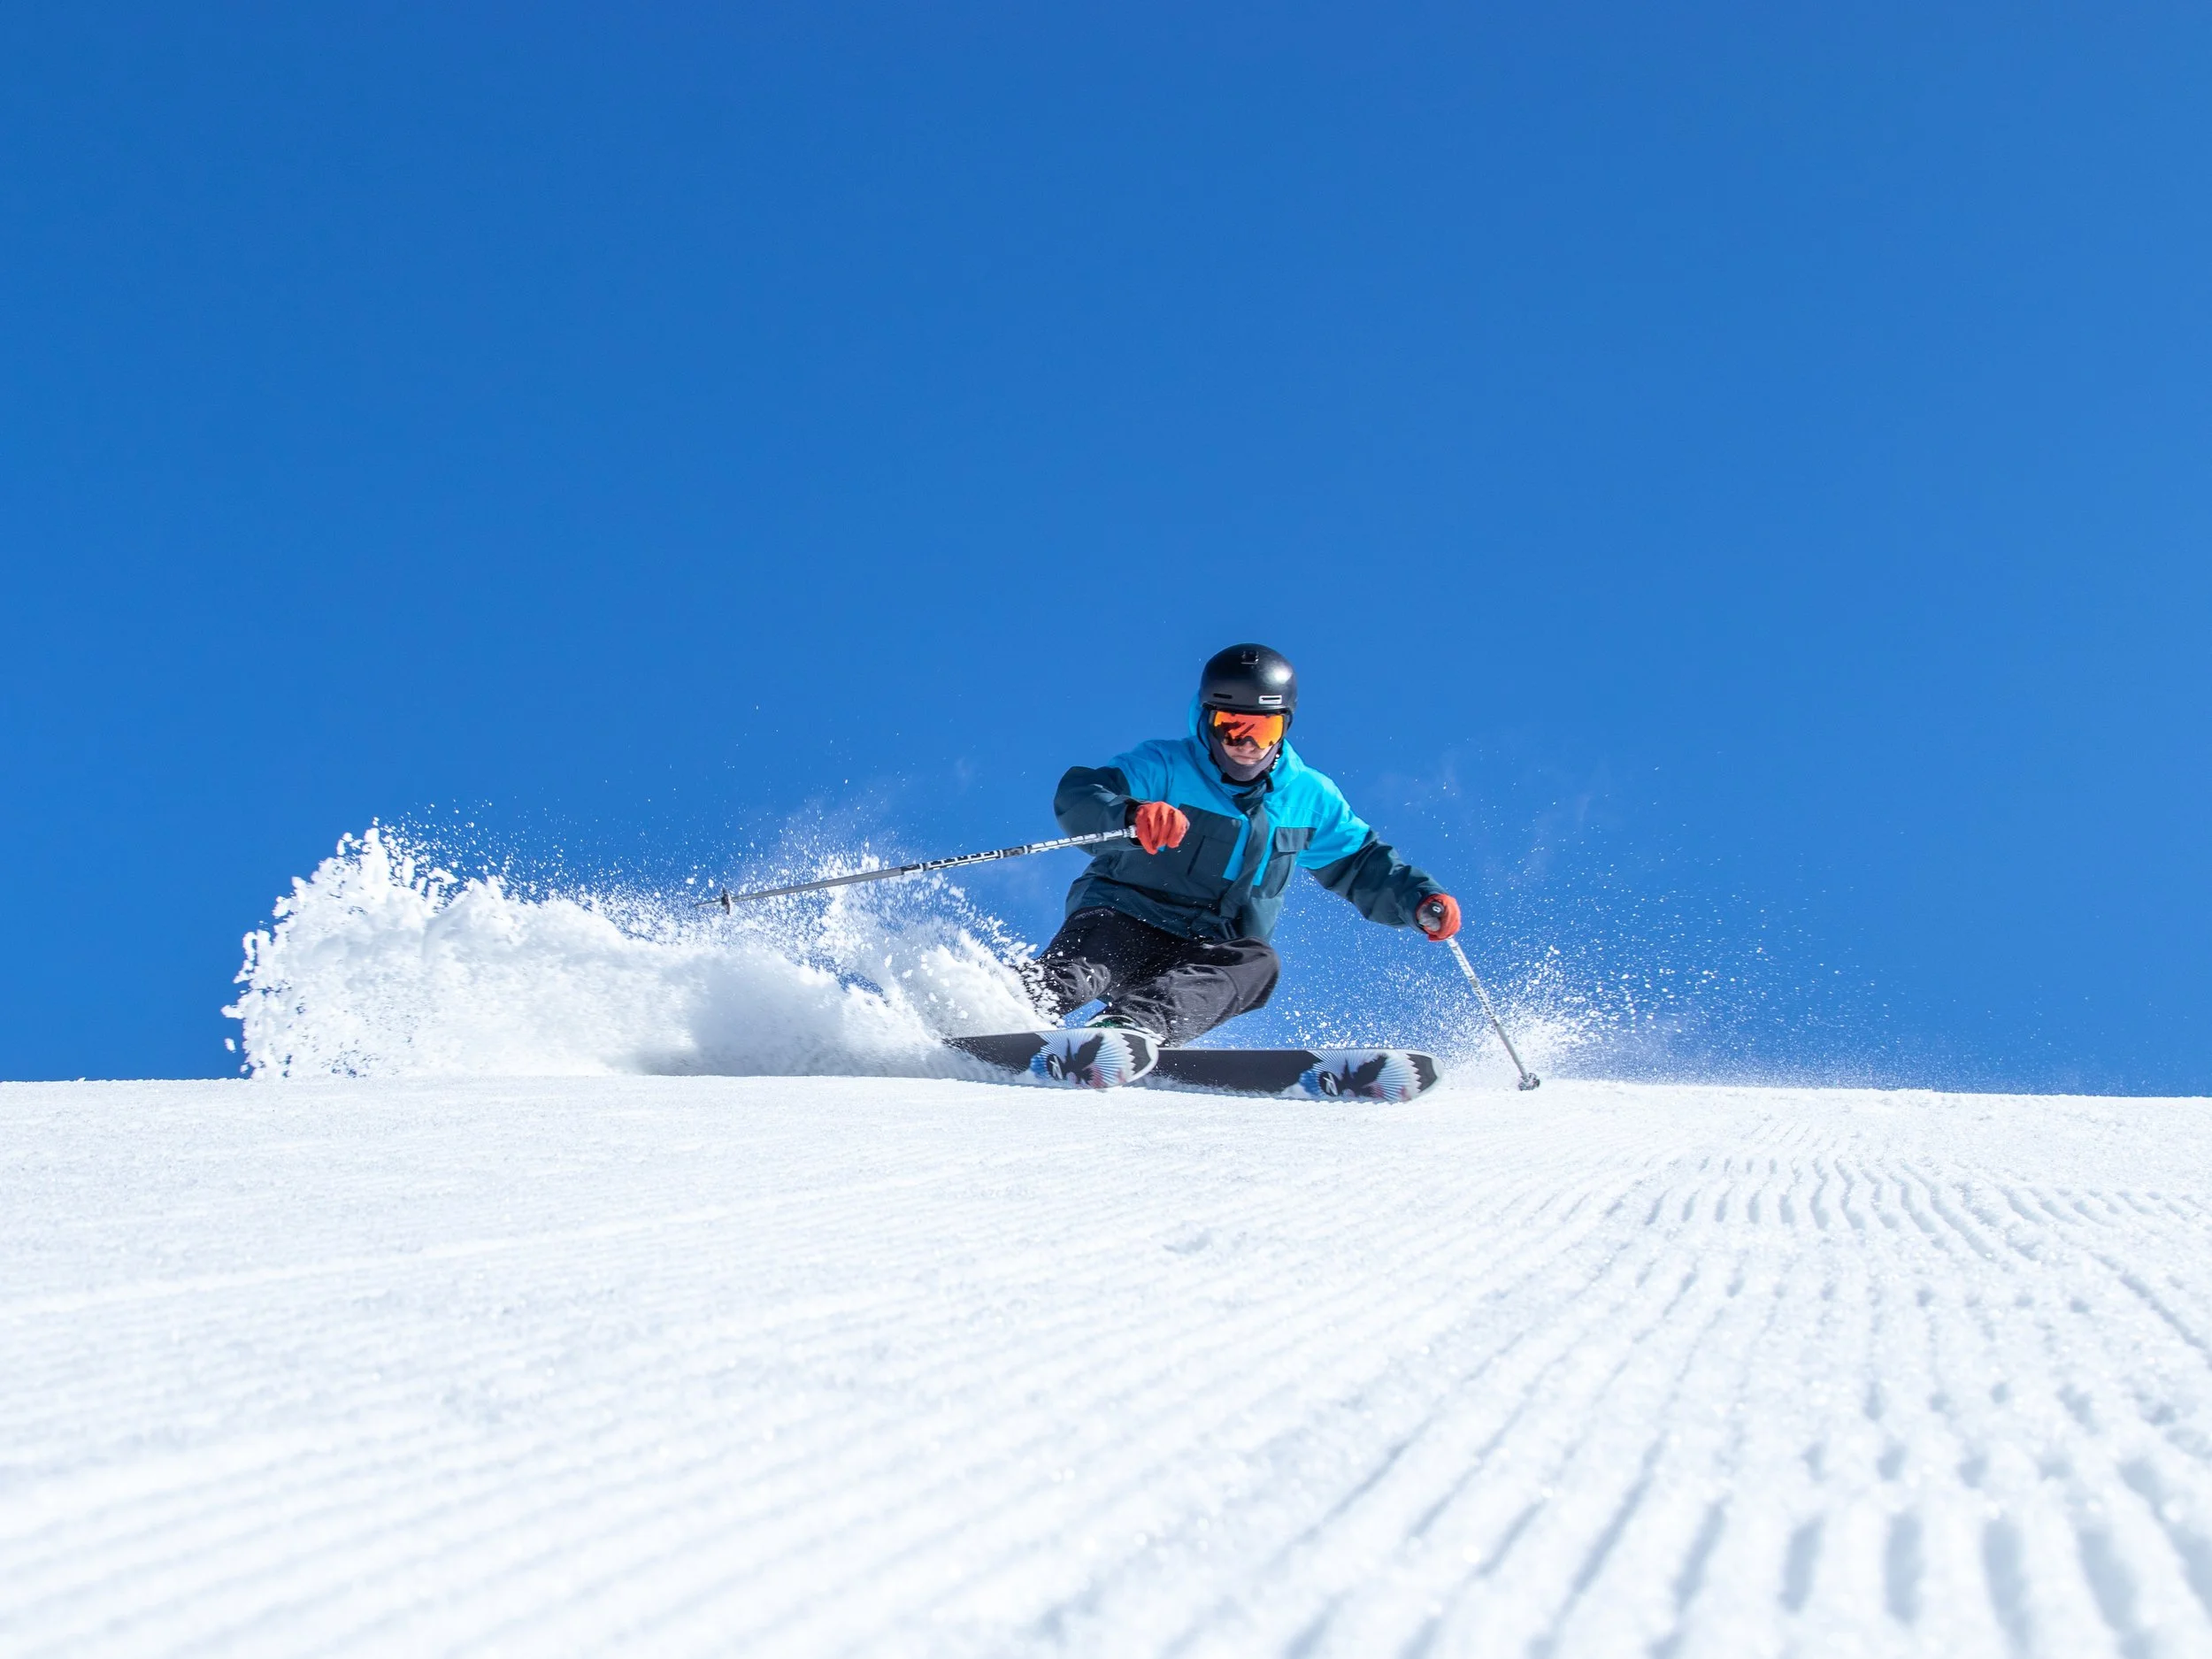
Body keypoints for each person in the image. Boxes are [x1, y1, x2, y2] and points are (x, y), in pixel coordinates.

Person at [1031, 643, 1462, 1046]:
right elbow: (1083, 795)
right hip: (1124, 915)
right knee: (1083, 963)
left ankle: (1130, 1029)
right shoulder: (1164, 765)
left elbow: (1362, 863)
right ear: (1207, 720)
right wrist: (1131, 814)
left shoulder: (1308, 797)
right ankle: (1005, 1007)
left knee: (1257, 963)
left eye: (1264, 728)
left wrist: (1418, 899)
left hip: (1204, 952)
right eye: (1231, 727)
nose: (1248, 745)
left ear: (1285, 725)